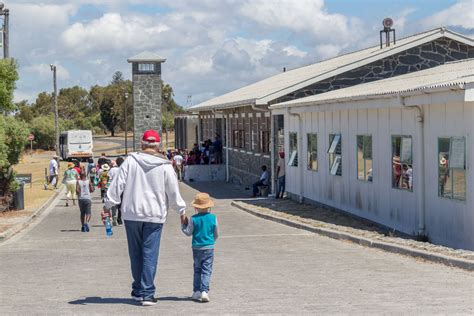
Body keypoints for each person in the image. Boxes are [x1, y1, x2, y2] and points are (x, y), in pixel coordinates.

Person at [105, 130, 186, 306]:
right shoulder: (165, 166)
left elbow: (117, 185)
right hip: (154, 215)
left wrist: (107, 205)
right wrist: (181, 210)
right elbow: (173, 192)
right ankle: (147, 293)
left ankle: (138, 290)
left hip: (132, 213)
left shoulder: (130, 162)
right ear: (158, 146)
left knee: (135, 253)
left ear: (142, 144)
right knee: (150, 253)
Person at [182, 192, 218, 303]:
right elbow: (216, 234)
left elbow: (188, 232)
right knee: (207, 270)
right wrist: (212, 241)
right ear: (208, 206)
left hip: (196, 248)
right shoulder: (213, 218)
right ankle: (204, 291)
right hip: (209, 247)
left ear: (196, 207)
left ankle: (196, 291)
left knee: (197, 270)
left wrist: (183, 225)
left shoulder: (193, 219)